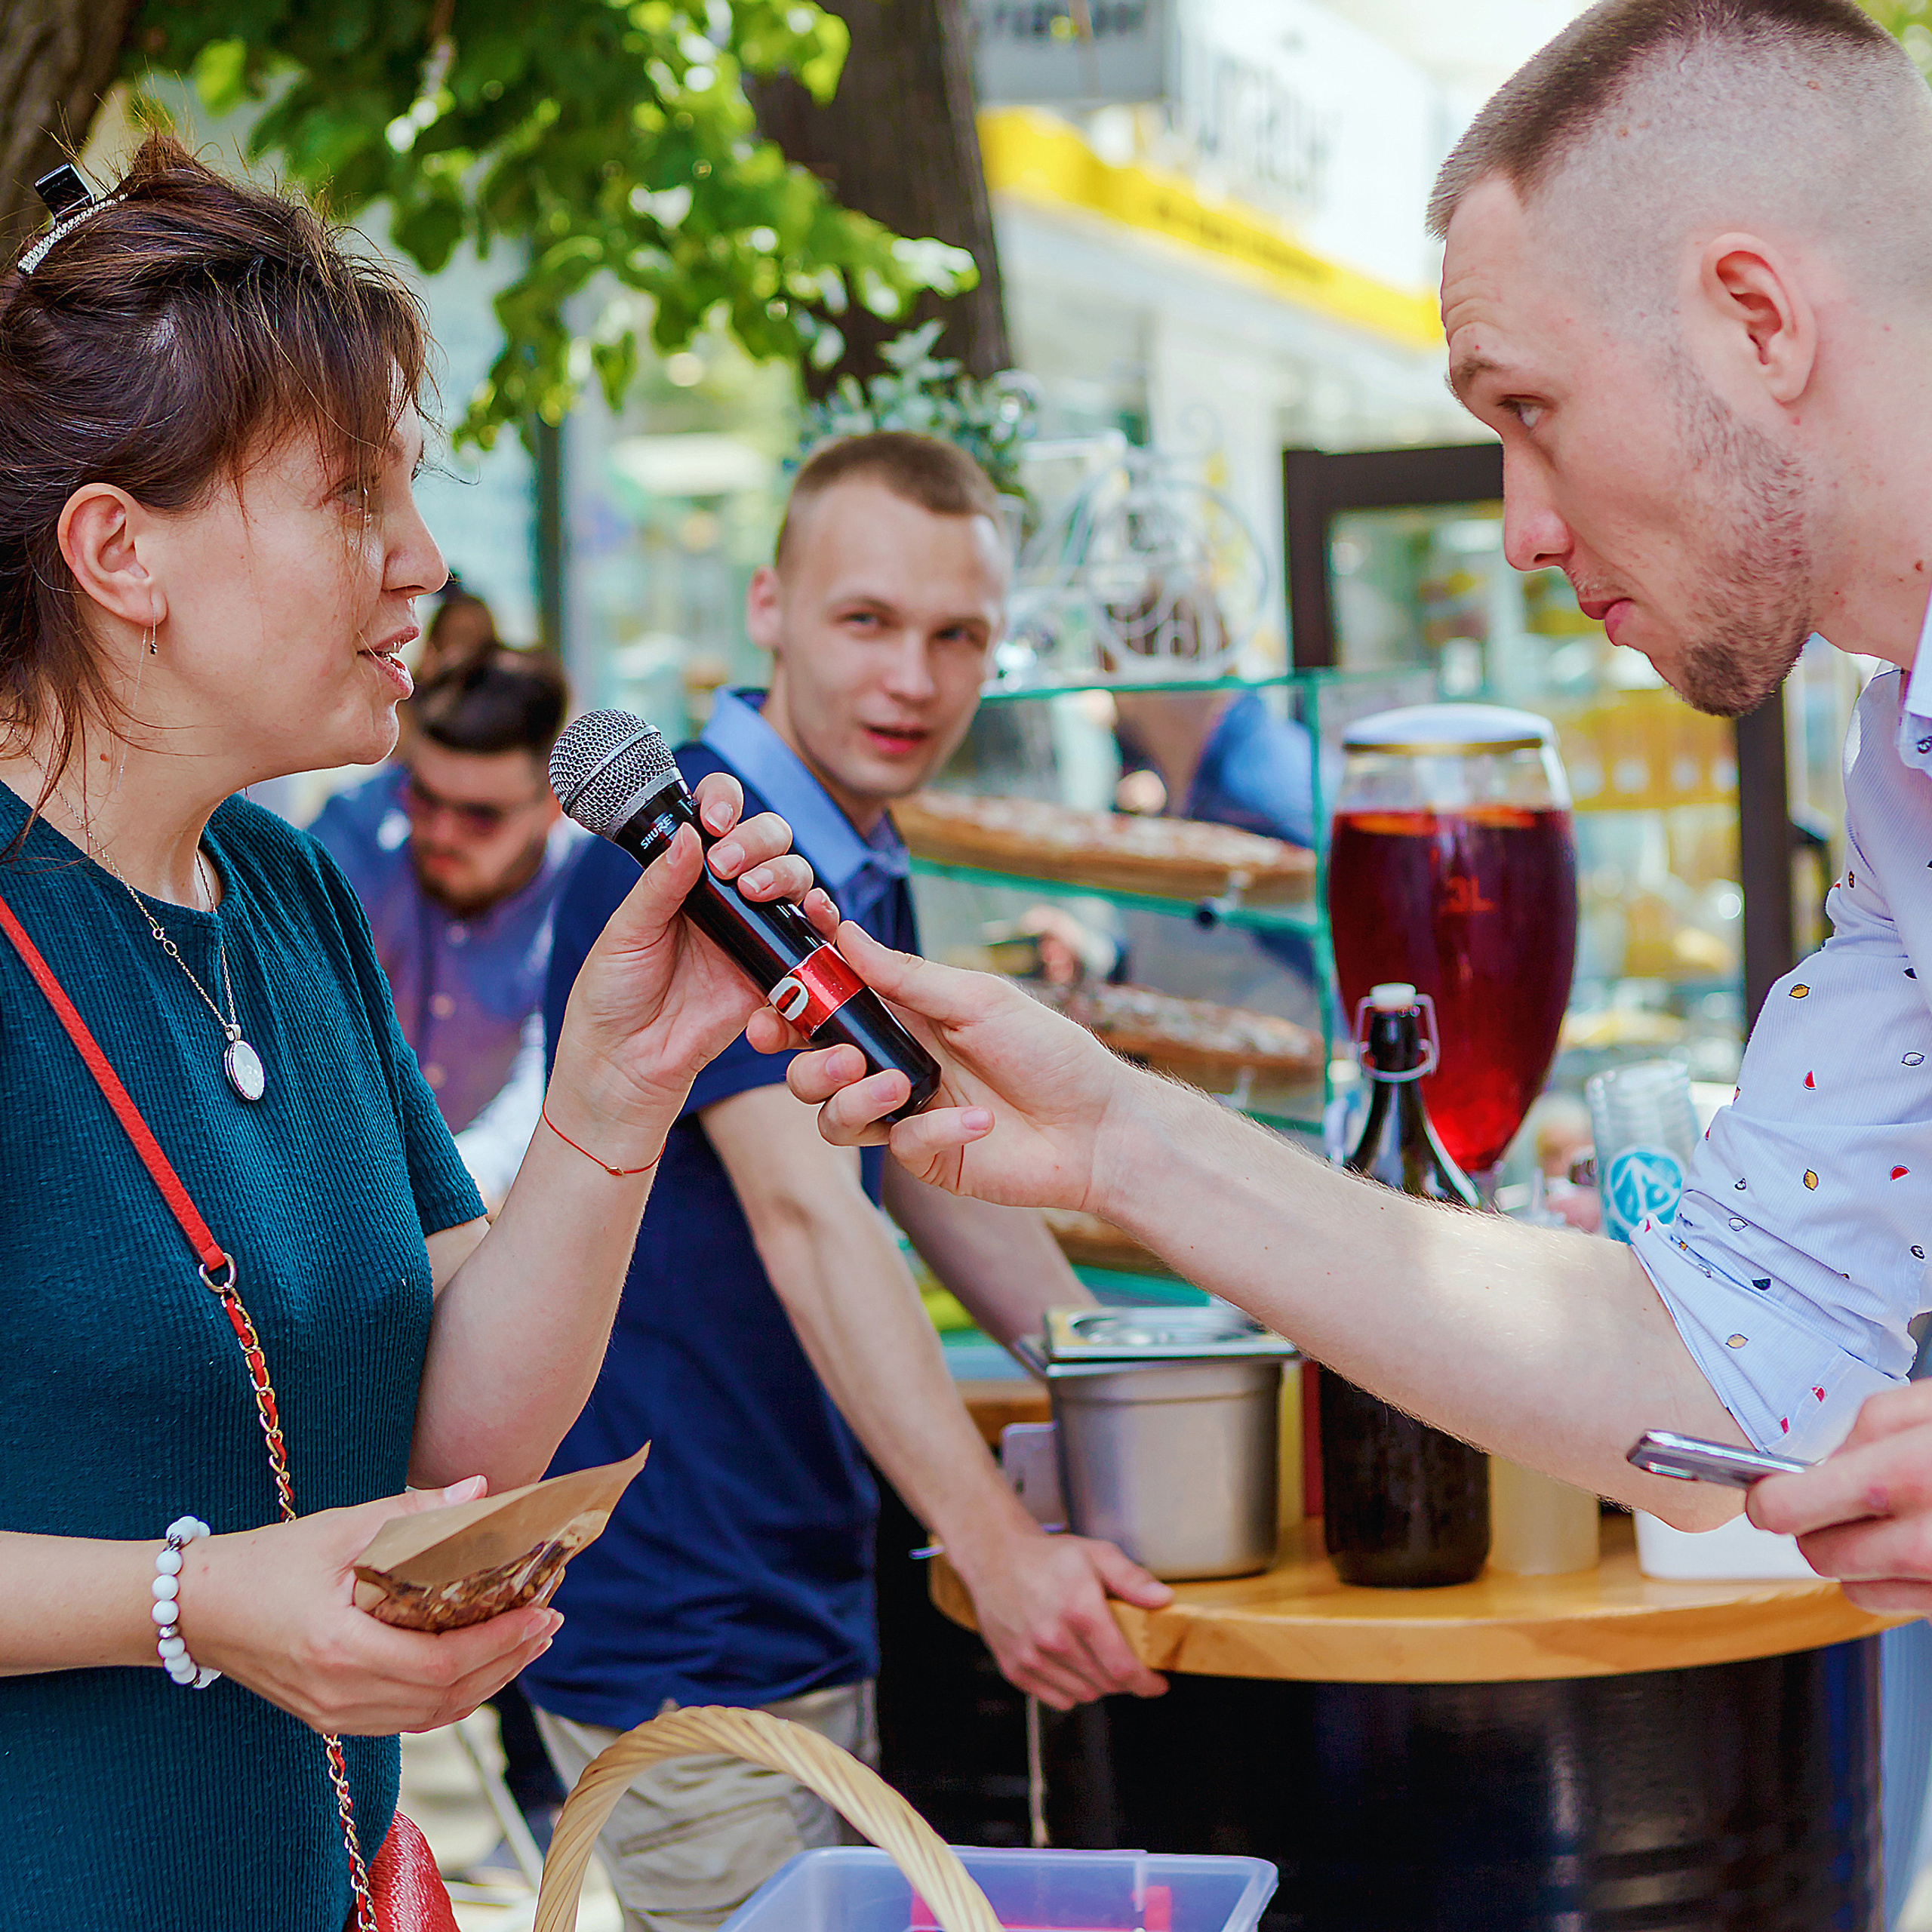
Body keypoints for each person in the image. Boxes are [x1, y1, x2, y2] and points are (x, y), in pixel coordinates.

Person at [771, 0, 1932, 1618]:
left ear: (1752, 318)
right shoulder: (1898, 773)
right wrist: (1129, 1141)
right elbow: (1741, 1357)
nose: (1519, 526)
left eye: (1524, 409)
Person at [0, 136, 823, 1930]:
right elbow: (234, 1567)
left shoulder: (286, 902)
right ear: (116, 548)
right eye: (351, 495)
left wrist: (617, 1101)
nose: (425, 561)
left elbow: (451, 1427)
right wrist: (190, 1597)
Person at [530, 432, 1171, 1931]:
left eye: (956, 636)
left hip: (800, 1579)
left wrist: (1140, 1388)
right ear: (767, 604)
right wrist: (1004, 1550)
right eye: (865, 620)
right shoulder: (687, 851)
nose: (912, 678)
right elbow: (810, 1218)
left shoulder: (845, 849)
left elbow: (921, 1156)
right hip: (683, 1606)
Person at [312, 646, 580, 1208]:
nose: (442, 835)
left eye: (480, 817)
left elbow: (551, 1070)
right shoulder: (355, 836)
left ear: (552, 805)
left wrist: (459, 1184)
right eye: (424, 799)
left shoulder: (584, 891)